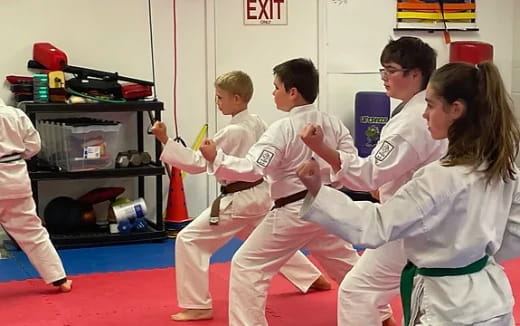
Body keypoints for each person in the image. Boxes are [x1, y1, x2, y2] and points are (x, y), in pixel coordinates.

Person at [296, 61, 520, 325]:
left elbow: (375, 226)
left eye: (431, 105)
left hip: (447, 308)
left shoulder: (440, 176)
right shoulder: (504, 168)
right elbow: (515, 232)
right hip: (492, 298)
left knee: (357, 289)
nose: (424, 114)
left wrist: (318, 192)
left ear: (456, 110)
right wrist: (471, 256)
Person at [151, 70, 330, 322]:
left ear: (237, 98)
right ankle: (311, 277)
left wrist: (164, 139)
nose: (217, 102)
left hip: (239, 199)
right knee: (267, 241)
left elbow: (197, 163)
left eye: (220, 97)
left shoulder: (233, 131)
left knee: (189, 240)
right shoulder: (256, 122)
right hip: (261, 195)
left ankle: (197, 305)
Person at [199, 59, 360, 326]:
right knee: (346, 263)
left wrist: (217, 158)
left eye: (276, 87)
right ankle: (381, 316)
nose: (273, 93)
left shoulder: (283, 129)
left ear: (292, 91)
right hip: (329, 206)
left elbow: (253, 169)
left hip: (294, 211)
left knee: (246, 265)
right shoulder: (333, 124)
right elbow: (350, 164)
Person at [299, 36, 446, 325]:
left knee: (357, 290)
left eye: (390, 70)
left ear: (415, 73)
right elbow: (389, 170)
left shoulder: (412, 120)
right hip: (424, 217)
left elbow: (368, 175)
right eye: (382, 70)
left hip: (411, 224)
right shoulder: (419, 110)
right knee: (382, 289)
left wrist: (322, 149)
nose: (384, 77)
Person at [0, 98, 72, 292]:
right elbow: (34, 146)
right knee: (32, 231)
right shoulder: (15, 114)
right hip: (14, 176)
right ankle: (59, 279)